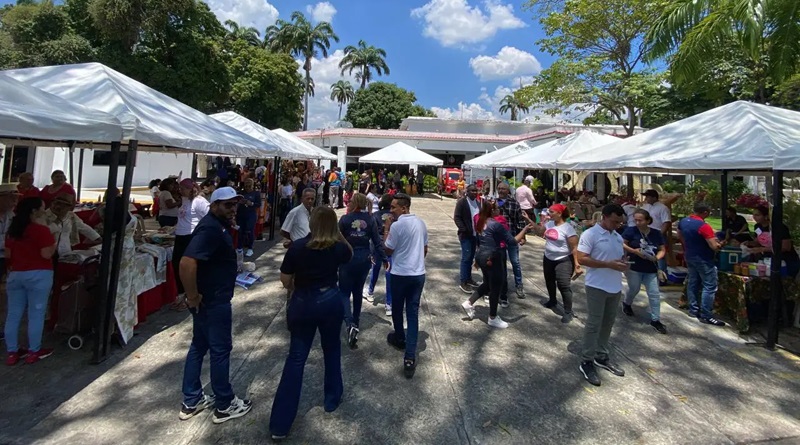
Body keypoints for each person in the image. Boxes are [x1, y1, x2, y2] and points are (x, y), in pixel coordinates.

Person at [269, 207, 352, 440]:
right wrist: (339, 233)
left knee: (296, 357)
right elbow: (350, 254)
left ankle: (280, 424)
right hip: (330, 299)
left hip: (304, 300)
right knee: (332, 349)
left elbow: (285, 280)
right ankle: (332, 398)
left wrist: (299, 288)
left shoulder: (297, 247)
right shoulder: (337, 247)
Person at [179, 186, 252, 424]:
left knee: (199, 346)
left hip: (210, 298)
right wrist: (192, 296)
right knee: (220, 350)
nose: (233, 209)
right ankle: (224, 403)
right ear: (214, 205)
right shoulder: (210, 228)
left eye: (235, 205)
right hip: (212, 300)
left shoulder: (217, 226)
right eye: (228, 205)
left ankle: (192, 399)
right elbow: (187, 262)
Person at [576, 204, 628, 387]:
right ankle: (586, 361)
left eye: (620, 222)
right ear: (604, 217)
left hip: (614, 287)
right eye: (615, 221)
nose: (618, 225)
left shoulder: (617, 236)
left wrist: (622, 264)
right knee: (593, 323)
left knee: (608, 322)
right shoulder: (590, 234)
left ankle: (601, 355)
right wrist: (608, 264)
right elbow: (582, 258)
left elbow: (616, 259)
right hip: (596, 286)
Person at [461, 200, 531, 328]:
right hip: (493, 257)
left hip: (482, 255)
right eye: (498, 209)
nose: (500, 211)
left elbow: (479, 240)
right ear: (493, 211)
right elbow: (513, 241)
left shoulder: (481, 221)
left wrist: (477, 260)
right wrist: (525, 229)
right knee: (495, 288)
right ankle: (492, 317)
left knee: (487, 283)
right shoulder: (496, 224)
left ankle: (469, 302)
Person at [4, 197, 56, 365]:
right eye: (42, 207)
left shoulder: (13, 230)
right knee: (36, 313)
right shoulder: (41, 230)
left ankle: (12, 351)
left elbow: (8, 255)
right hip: (39, 274)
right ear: (34, 211)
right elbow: (46, 254)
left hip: (16, 274)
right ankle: (34, 350)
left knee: (13, 314)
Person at [384, 193, 428, 378]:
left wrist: (386, 229)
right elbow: (425, 249)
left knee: (397, 308)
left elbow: (387, 249)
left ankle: (400, 337)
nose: (391, 210)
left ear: (404, 208)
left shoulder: (396, 225)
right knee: (412, 312)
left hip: (400, 274)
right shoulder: (421, 223)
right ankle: (410, 356)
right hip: (418, 274)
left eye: (394, 207)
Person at [338, 193, 386, 348]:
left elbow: (337, 238)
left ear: (354, 203)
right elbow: (377, 242)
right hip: (364, 258)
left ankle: (349, 322)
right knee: (357, 291)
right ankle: (356, 322)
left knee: (344, 292)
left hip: (348, 257)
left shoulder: (345, 219)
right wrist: (384, 259)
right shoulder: (370, 220)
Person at [678, 203, 728, 326]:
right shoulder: (704, 226)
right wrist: (721, 244)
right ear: (705, 212)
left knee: (693, 282)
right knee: (709, 286)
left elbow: (680, 236)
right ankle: (706, 314)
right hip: (703, 258)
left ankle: (693, 310)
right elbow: (713, 246)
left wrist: (688, 246)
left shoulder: (683, 221)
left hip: (690, 255)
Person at [621, 209, 668, 334]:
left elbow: (662, 249)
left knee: (654, 294)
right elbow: (622, 244)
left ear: (647, 221)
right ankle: (627, 303)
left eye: (640, 220)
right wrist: (634, 251)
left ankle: (656, 319)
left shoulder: (656, 233)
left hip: (651, 268)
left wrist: (656, 257)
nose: (637, 222)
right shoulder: (631, 231)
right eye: (635, 220)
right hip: (634, 266)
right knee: (634, 288)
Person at [536, 203, 582, 323]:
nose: (548, 214)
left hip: (564, 259)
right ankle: (552, 301)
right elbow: (540, 232)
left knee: (563, 285)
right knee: (549, 281)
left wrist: (577, 264)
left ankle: (568, 311)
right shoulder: (549, 224)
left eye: (551, 212)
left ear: (559, 213)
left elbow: (574, 248)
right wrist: (529, 220)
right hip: (548, 258)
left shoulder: (568, 228)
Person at [173, 179, 210, 309]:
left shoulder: (199, 202)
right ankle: (182, 295)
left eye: (183, 188)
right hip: (180, 237)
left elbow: (209, 217)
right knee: (177, 265)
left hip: (191, 237)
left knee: (190, 268)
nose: (180, 190)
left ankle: (191, 296)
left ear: (191, 189)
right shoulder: (184, 201)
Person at [496, 182, 530, 301]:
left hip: (512, 237)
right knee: (500, 264)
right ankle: (501, 285)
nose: (501, 191)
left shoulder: (514, 203)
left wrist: (523, 236)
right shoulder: (494, 203)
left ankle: (519, 285)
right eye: (499, 188)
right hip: (498, 238)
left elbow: (520, 221)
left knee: (515, 262)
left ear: (508, 190)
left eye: (503, 189)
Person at [749, 205, 800, 276]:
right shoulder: (757, 227)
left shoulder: (780, 227)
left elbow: (786, 247)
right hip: (768, 261)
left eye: (757, 215)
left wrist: (762, 249)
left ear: (766, 216)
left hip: (786, 261)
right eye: (753, 215)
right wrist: (749, 244)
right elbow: (758, 242)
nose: (754, 217)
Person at [365, 193, 395, 315]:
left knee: (375, 269)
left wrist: (371, 251)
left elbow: (373, 234)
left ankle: (370, 291)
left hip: (378, 245)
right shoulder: (394, 216)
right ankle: (389, 303)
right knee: (389, 273)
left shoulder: (376, 215)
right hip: (390, 245)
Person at [454, 184, 481, 293]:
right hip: (466, 235)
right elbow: (457, 217)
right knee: (466, 257)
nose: (475, 193)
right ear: (467, 192)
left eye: (476, 191)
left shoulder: (478, 203)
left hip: (476, 235)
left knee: (471, 257)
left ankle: (469, 278)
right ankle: (463, 281)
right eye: (472, 191)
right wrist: (463, 229)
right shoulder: (462, 202)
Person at [641, 190, 672, 284]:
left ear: (654, 197)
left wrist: (659, 235)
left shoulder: (663, 208)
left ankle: (661, 278)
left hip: (658, 234)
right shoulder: (645, 207)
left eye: (648, 197)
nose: (646, 199)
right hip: (645, 234)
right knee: (646, 254)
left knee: (660, 257)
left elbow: (666, 222)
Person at [0, 185, 19, 341]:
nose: (15, 200)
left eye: (16, 196)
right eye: (11, 197)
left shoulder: (11, 215)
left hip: (5, 258)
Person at [237, 178, 261, 257]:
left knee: (250, 231)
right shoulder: (241, 193)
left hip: (251, 214)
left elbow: (258, 204)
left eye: (249, 185)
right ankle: (239, 248)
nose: (247, 187)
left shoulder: (256, 193)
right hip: (241, 214)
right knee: (240, 231)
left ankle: (250, 248)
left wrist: (251, 203)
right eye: (246, 185)